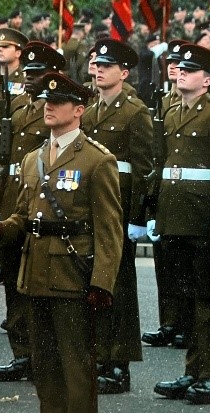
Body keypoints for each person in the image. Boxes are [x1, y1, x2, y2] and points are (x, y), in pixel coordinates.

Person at [0, 71, 123, 413]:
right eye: (46, 102)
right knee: (45, 368)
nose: (49, 108)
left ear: (79, 109)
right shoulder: (33, 159)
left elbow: (109, 231)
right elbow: (24, 217)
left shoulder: (97, 160)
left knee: (76, 366)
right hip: (36, 274)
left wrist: (102, 283)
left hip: (72, 275)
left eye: (58, 102)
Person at [151, 44, 210, 405]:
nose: (180, 73)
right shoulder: (169, 111)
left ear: (208, 80)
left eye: (190, 70)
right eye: (179, 68)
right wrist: (153, 213)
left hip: (203, 219)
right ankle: (192, 371)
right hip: (174, 215)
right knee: (184, 299)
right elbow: (162, 166)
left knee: (209, 301)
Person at [0, 41, 66, 382]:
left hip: (43, 199)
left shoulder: (61, 108)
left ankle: (44, 354)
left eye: (39, 75)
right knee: (12, 280)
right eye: (29, 74)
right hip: (13, 198)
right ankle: (22, 353)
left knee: (41, 282)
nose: (32, 80)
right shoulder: (17, 108)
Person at [82, 38, 153, 394]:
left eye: (106, 66)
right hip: (94, 207)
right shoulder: (91, 109)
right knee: (96, 283)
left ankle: (119, 364)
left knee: (120, 287)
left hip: (120, 209)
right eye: (96, 65)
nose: (97, 70)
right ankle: (99, 358)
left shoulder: (135, 111)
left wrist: (138, 216)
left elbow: (142, 170)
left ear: (124, 73)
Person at [142, 39, 190, 349]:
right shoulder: (162, 100)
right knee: (164, 261)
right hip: (164, 187)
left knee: (184, 265)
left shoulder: (191, 101)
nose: (173, 67)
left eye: (180, 64)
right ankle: (168, 321)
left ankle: (184, 323)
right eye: (170, 62)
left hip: (186, 192)